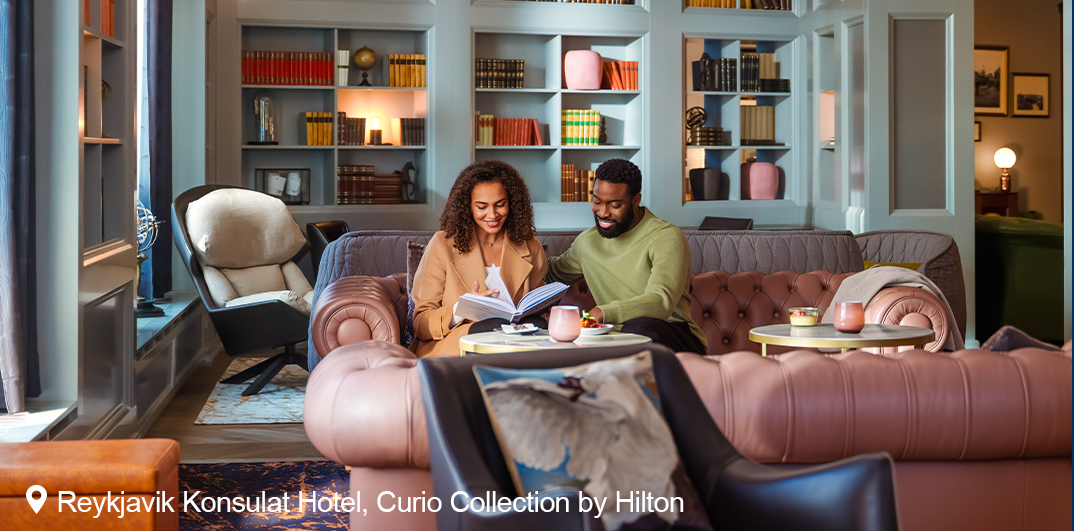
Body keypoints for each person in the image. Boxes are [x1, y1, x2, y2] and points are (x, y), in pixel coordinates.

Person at [546, 159, 707, 354]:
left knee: (637, 330)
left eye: (614, 205)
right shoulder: (587, 242)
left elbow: (660, 301)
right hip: (618, 338)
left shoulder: (667, 237)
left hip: (674, 334)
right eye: (597, 201)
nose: (602, 212)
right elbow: (550, 273)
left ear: (635, 200)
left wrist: (604, 312)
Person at [410, 160, 548, 357]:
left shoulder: (531, 247)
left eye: (500, 205)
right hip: (459, 344)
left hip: (514, 343)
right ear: (467, 206)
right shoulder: (442, 245)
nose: (492, 215)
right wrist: (462, 309)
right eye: (482, 207)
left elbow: (534, 305)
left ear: (512, 202)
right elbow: (421, 323)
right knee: (487, 329)